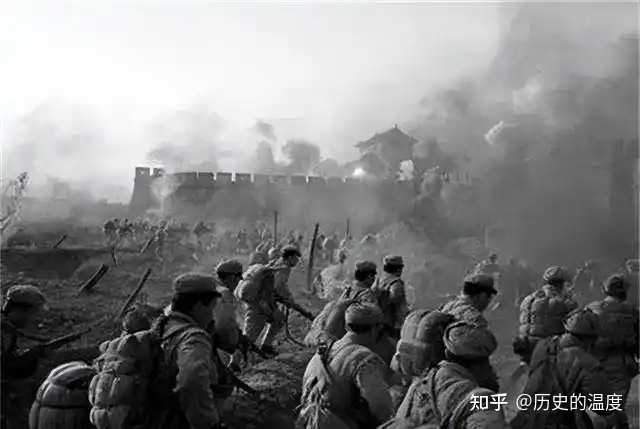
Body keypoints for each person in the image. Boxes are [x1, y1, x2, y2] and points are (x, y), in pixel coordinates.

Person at [388, 321, 508, 429]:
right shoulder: (483, 400)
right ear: (481, 364)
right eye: (488, 363)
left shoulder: (417, 387)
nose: (491, 370)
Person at [511, 308, 613, 429]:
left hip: (526, 419)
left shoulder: (542, 345)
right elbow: (605, 406)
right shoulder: (587, 362)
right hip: (558, 422)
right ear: (591, 338)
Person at [297, 303, 394, 428]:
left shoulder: (320, 353)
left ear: (346, 326)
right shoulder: (362, 358)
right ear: (374, 330)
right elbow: (381, 406)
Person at [156, 273, 224, 429]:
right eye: (211, 308)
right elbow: (192, 381)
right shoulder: (193, 337)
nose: (212, 316)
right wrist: (208, 423)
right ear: (199, 306)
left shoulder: (163, 327)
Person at [586, 274, 639, 429]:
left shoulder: (592, 308)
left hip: (595, 363)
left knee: (599, 405)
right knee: (616, 406)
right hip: (622, 364)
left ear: (605, 290)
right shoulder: (632, 311)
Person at [440, 273, 499, 391]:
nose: (489, 302)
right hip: (465, 379)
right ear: (482, 295)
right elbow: (488, 345)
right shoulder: (472, 316)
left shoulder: (448, 307)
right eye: (488, 297)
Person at [1, 285, 48, 429]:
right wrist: (30, 356)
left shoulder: (7, 328)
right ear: (18, 310)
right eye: (31, 312)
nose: (32, 318)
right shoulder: (3, 332)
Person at [515, 265, 578, 364]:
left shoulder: (528, 299)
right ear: (564, 284)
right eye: (568, 285)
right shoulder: (565, 303)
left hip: (527, 349)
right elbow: (575, 329)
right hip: (550, 353)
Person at [214, 260, 245, 372]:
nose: (238, 283)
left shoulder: (212, 286)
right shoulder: (225, 293)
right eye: (238, 279)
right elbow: (225, 323)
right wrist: (236, 340)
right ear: (232, 278)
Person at [371, 255, 408, 339]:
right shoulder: (396, 283)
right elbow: (397, 303)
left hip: (379, 322)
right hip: (393, 326)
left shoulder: (378, 281)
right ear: (398, 269)